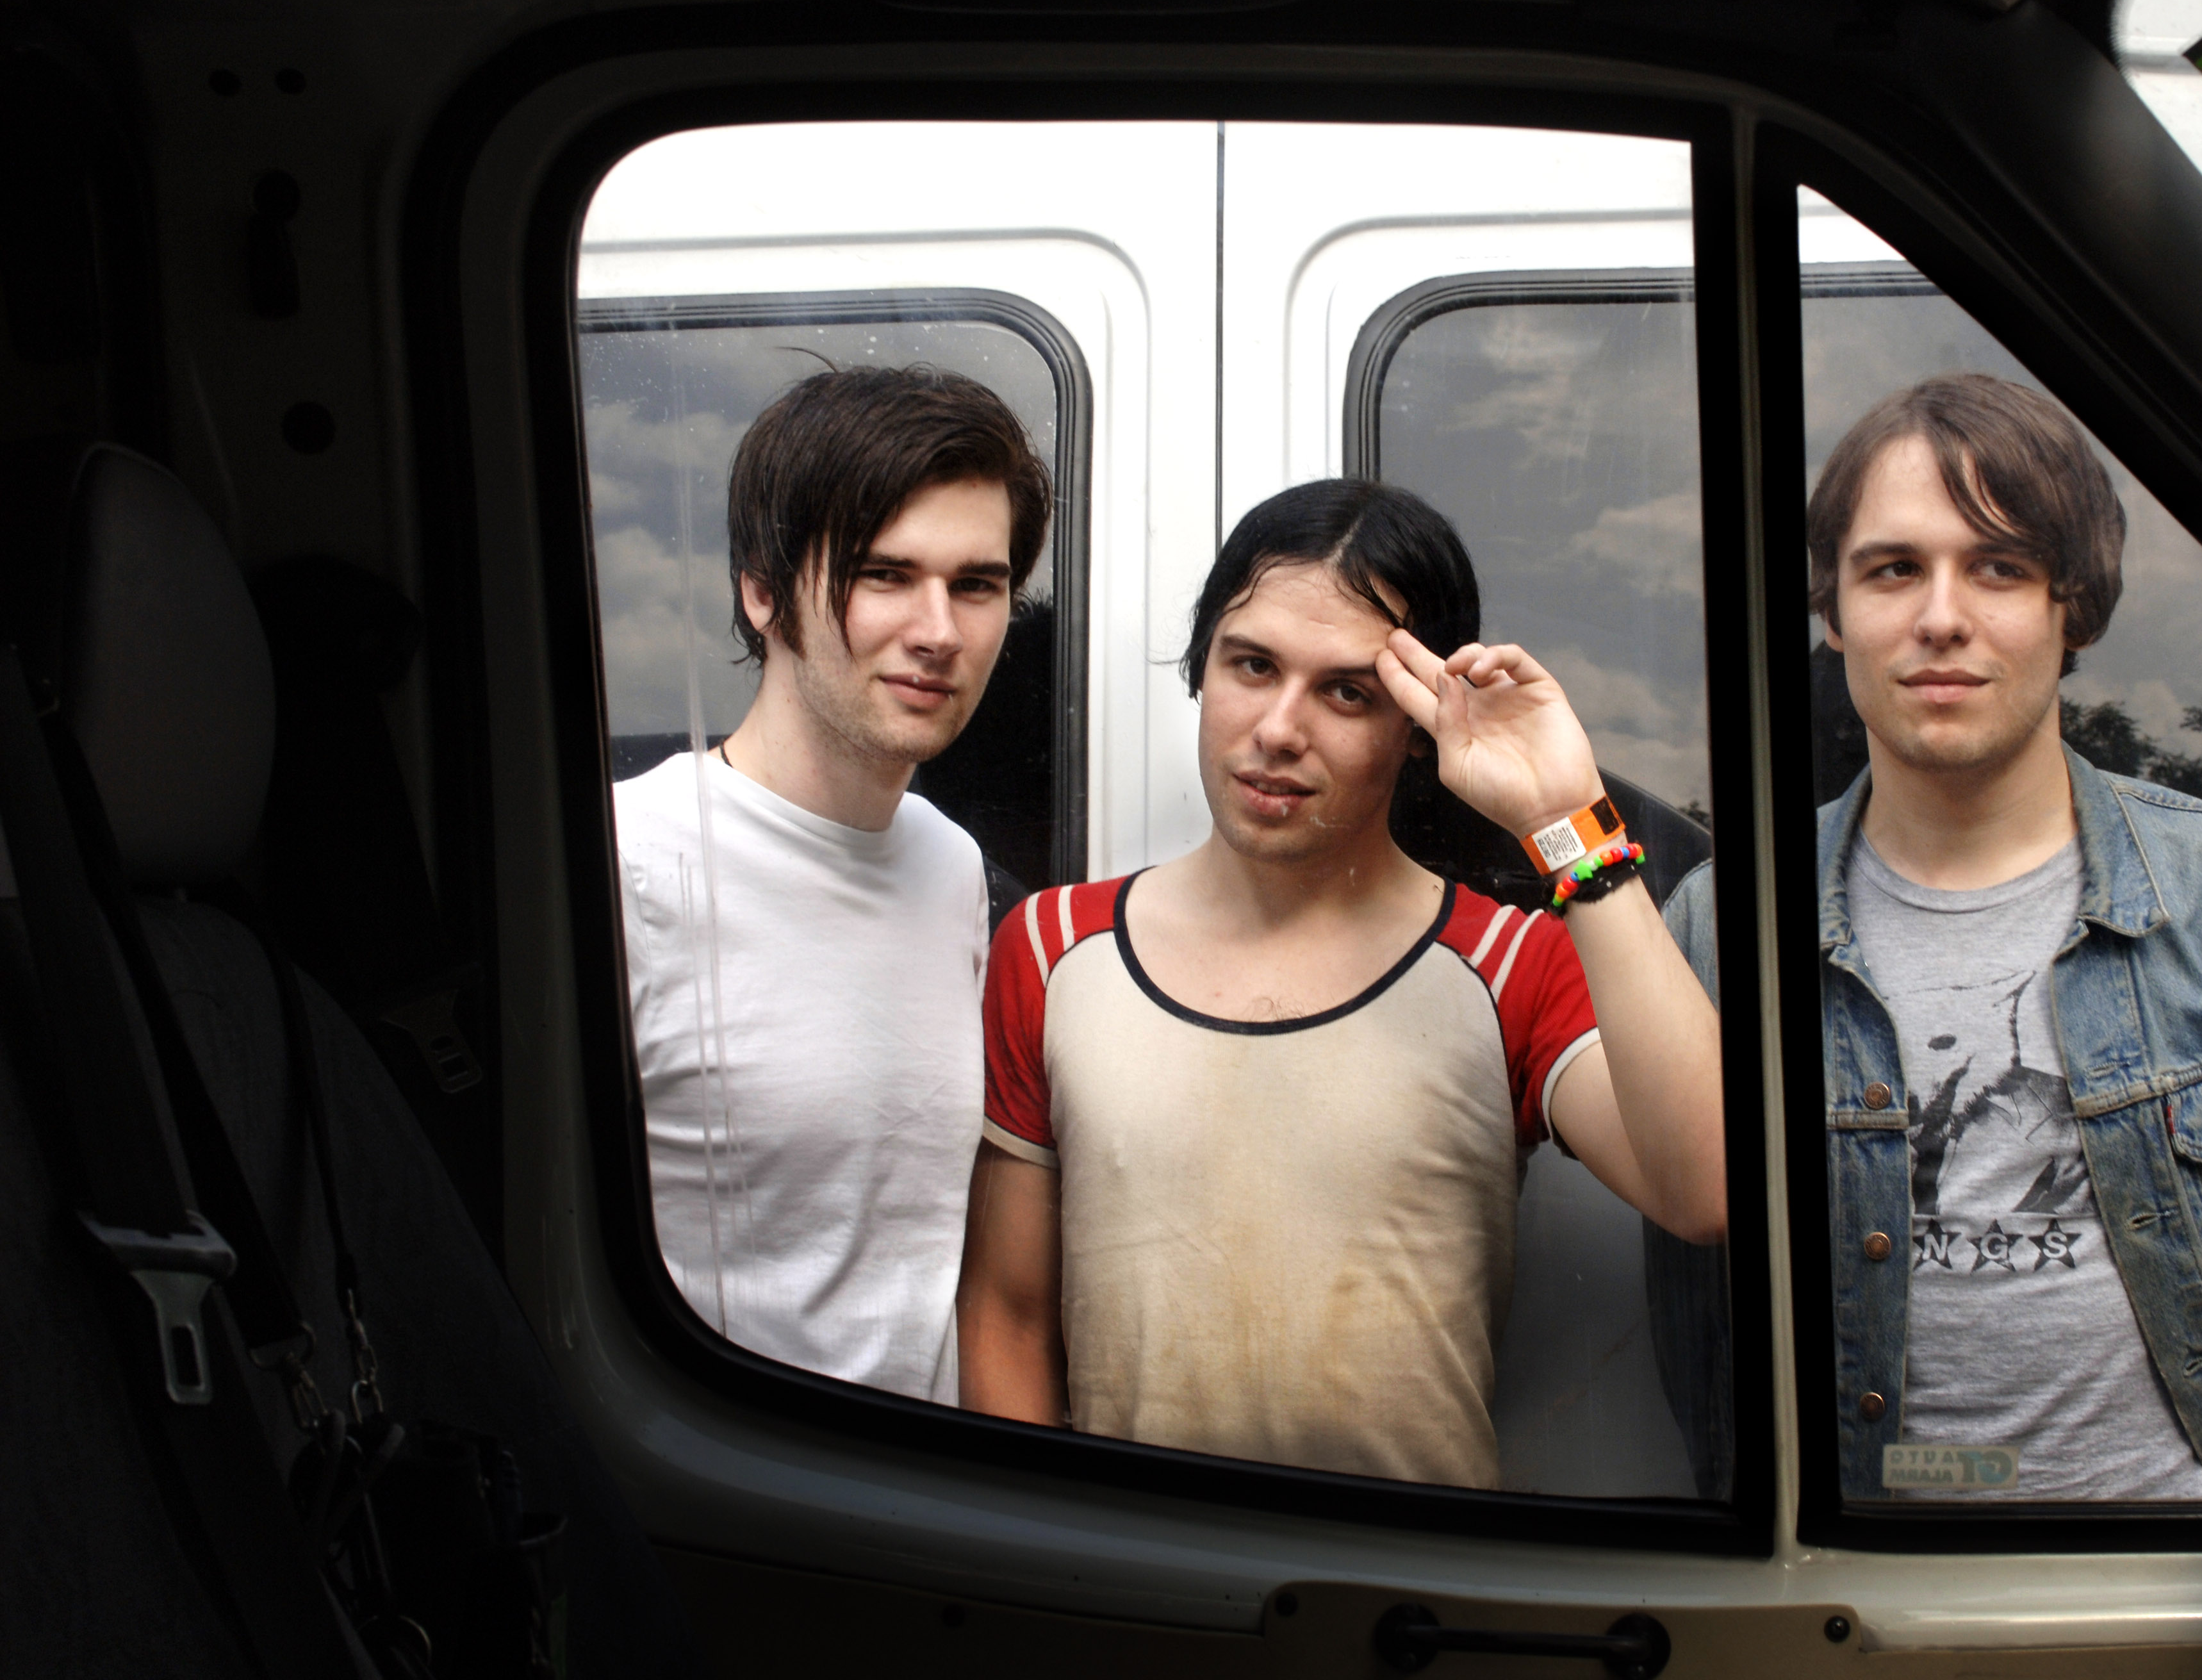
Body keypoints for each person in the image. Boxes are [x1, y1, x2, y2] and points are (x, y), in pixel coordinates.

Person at [955, 479, 1726, 1488]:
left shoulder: (1507, 964)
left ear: (1415, 724)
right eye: (1252, 666)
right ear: (1203, 667)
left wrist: (1567, 816)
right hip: (1136, 1594)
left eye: (1347, 692)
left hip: (1413, 1604)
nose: (1279, 728)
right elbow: (1009, 1316)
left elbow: (1708, 1192)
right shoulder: (1054, 948)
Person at [1666, 373, 2202, 1502]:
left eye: (2000, 567)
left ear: (2074, 608)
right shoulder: (1725, 927)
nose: (1941, 617)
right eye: (1893, 569)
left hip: (2186, 1586)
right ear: (1832, 613)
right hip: (1848, 1598)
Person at [615, 365, 1051, 1404]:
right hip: (736, 1512)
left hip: (919, 1507)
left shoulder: (950, 866)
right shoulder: (630, 868)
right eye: (883, 575)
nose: (939, 629)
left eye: (976, 585)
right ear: (760, 589)